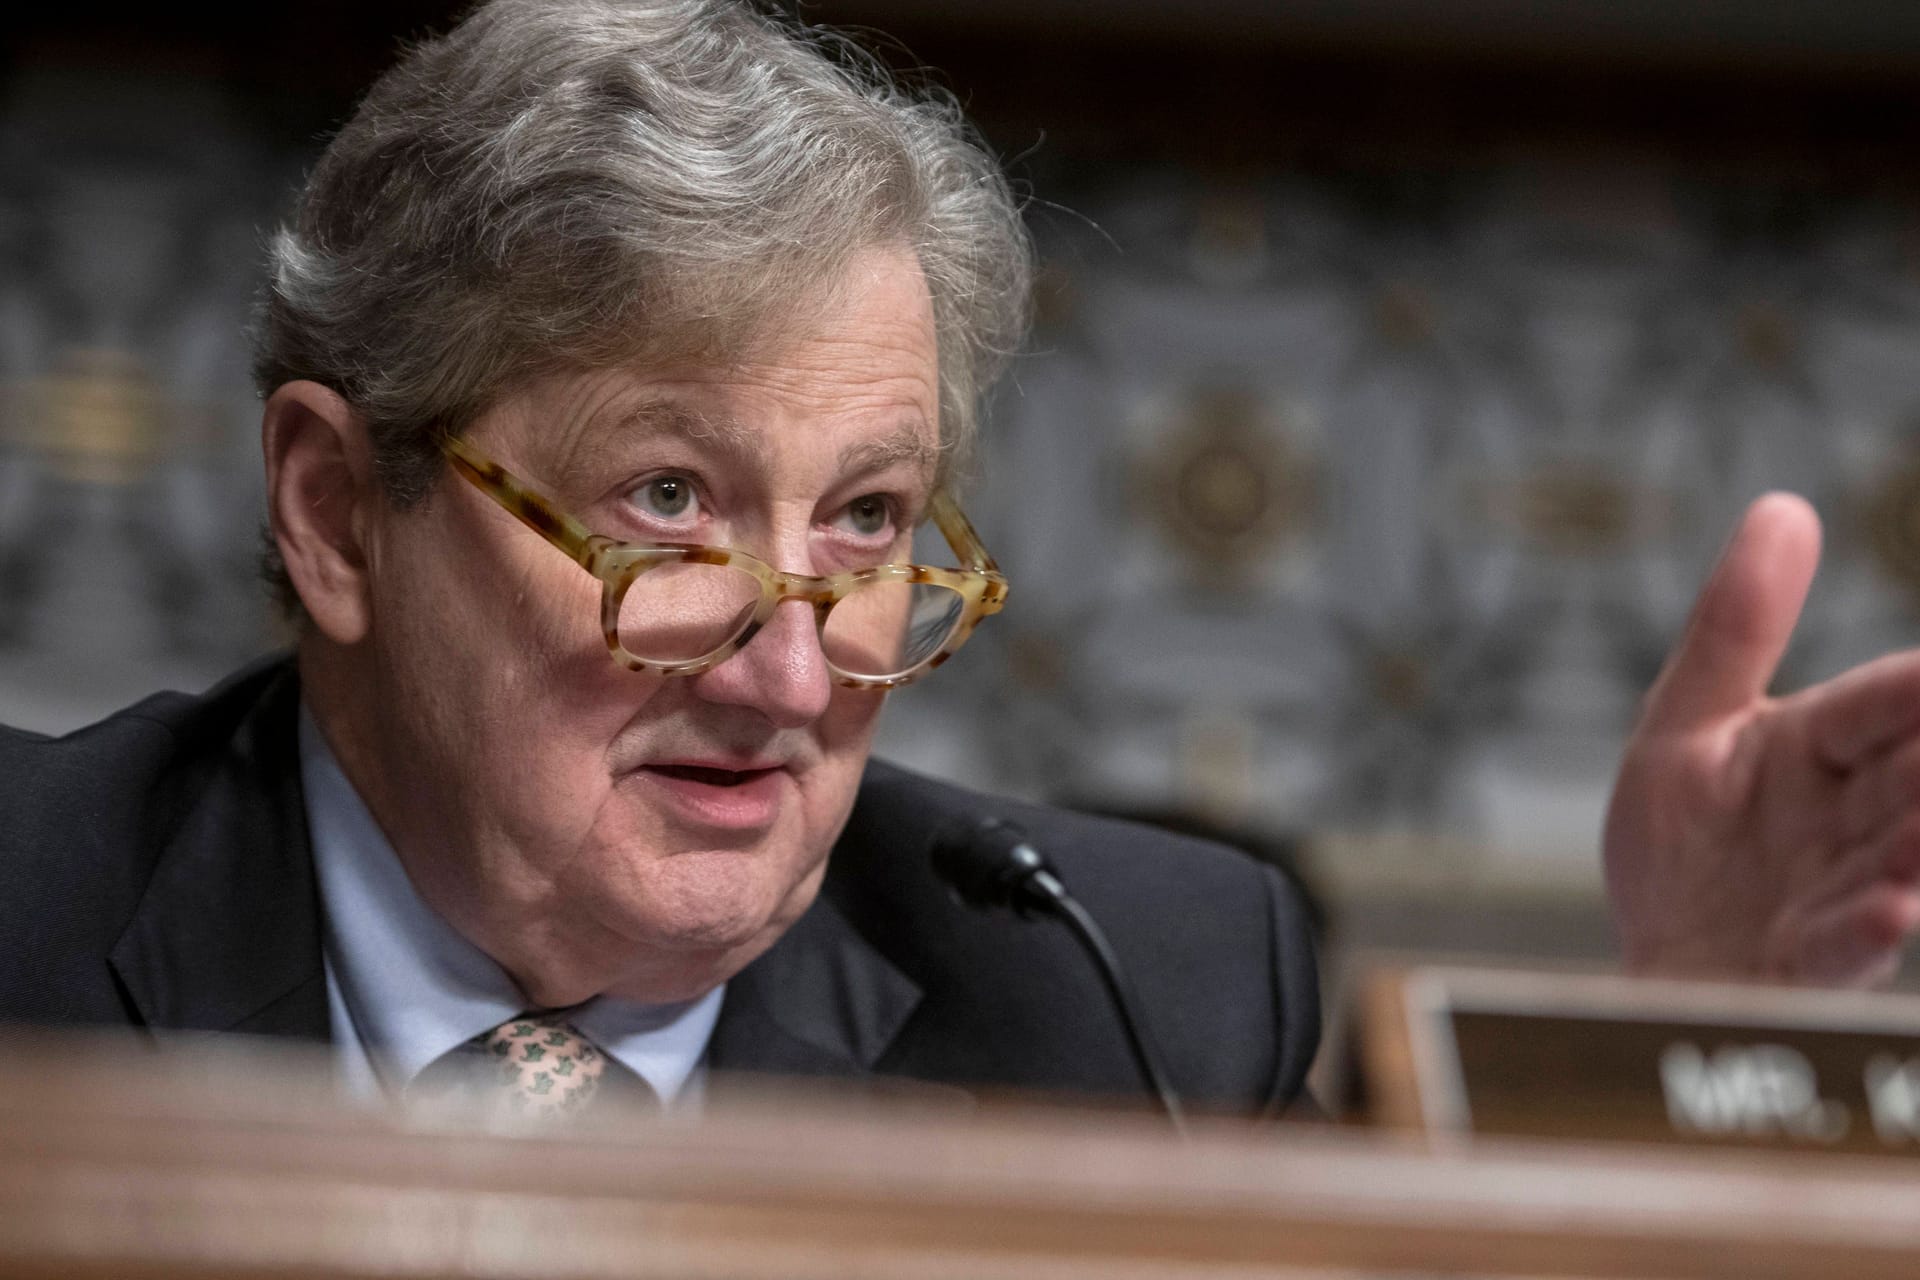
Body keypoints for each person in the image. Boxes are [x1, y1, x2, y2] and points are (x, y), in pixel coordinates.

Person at [0, 0, 1915, 1120]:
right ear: (339, 513)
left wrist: (1675, 1051)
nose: (792, 670)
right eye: (666, 503)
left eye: (864, 521)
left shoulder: (1132, 1003)